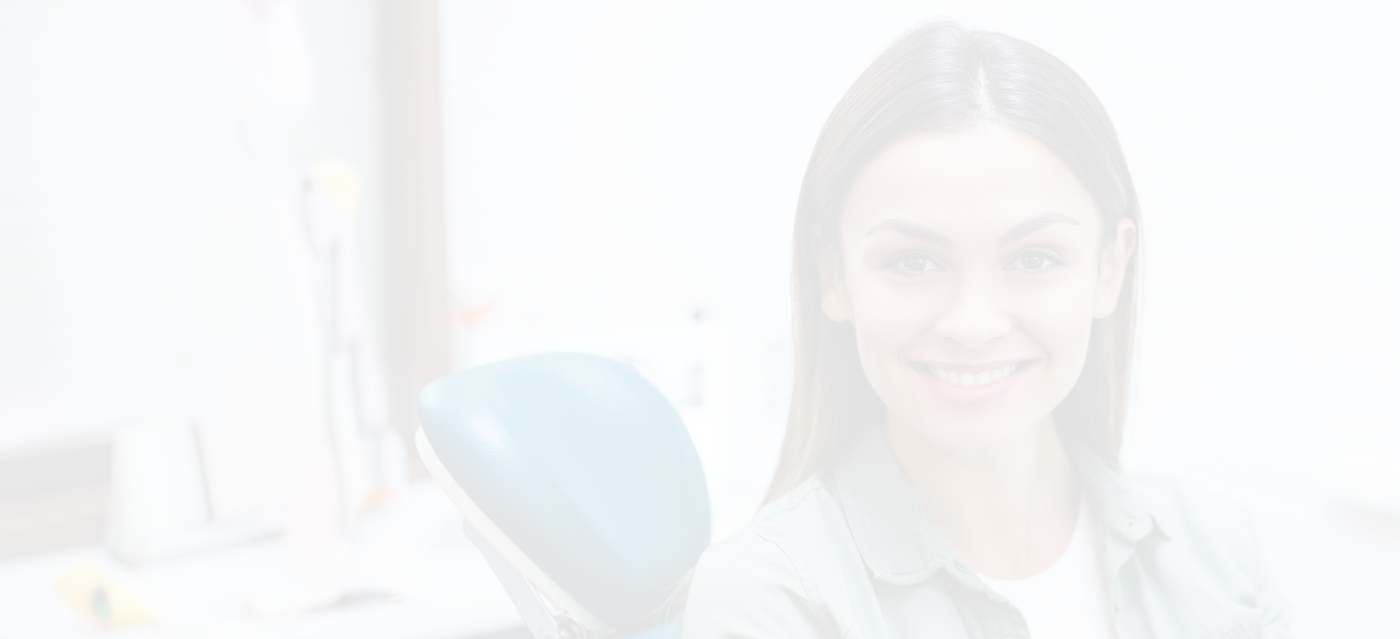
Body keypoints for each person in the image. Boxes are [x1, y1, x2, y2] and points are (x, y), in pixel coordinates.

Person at [680, 22, 1290, 639]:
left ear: (1110, 265)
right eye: (913, 262)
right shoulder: (766, 600)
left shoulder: (1219, 551)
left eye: (1034, 259)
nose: (973, 325)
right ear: (832, 275)